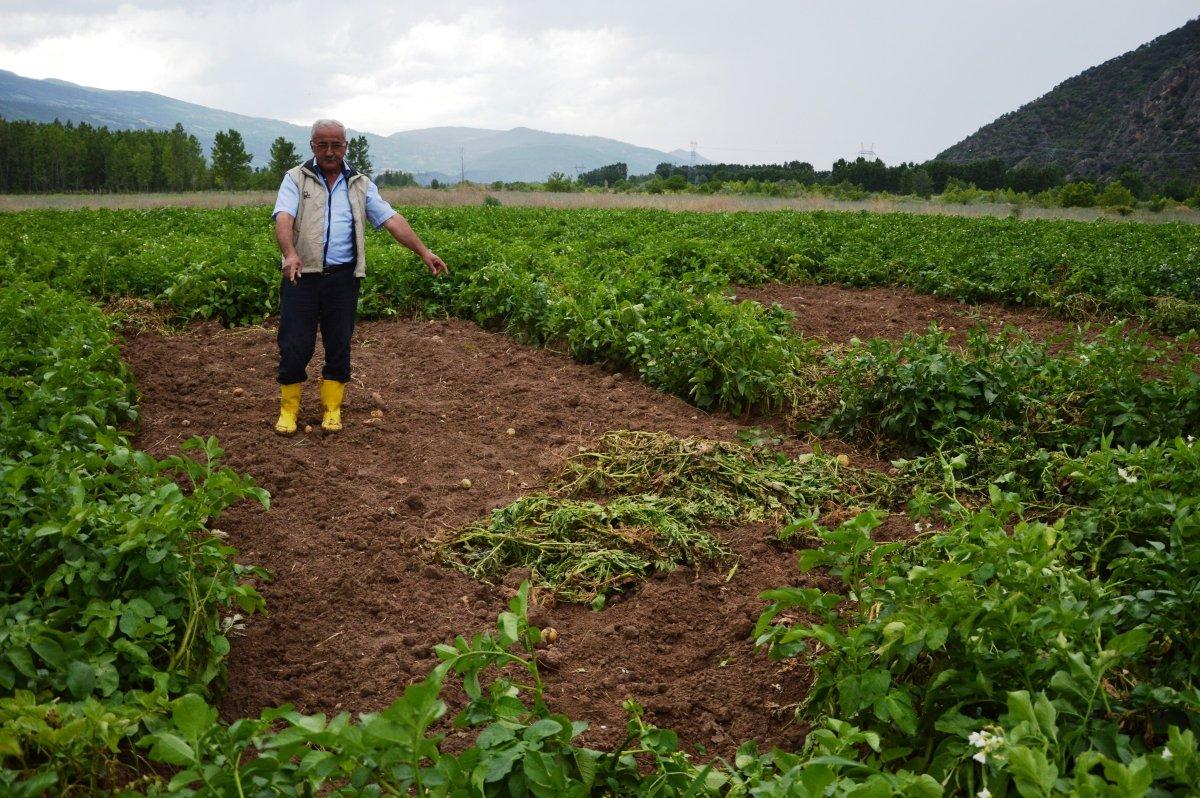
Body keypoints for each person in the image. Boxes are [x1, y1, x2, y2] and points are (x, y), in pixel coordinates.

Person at [271, 119, 448, 435]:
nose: (329, 151)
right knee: (295, 345)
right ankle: (289, 411)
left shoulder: (360, 184)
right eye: (322, 145)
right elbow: (284, 217)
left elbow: (391, 219)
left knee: (339, 344)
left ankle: (332, 410)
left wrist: (424, 251)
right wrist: (290, 253)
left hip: (342, 280)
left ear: (345, 147)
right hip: (302, 276)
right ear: (312, 146)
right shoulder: (295, 179)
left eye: (335, 145)